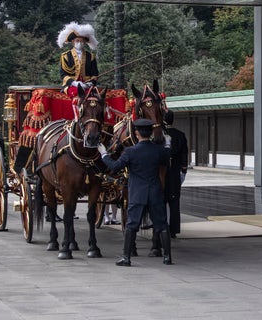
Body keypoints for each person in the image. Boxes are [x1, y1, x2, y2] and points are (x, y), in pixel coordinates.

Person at [97, 119, 172, 266]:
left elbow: (114, 166)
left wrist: (104, 154)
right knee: (162, 225)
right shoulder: (159, 150)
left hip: (137, 193)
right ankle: (167, 257)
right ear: (150, 133)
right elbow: (167, 157)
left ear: (136, 133)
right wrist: (168, 143)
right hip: (155, 192)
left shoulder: (130, 152)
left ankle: (126, 257)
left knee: (132, 225)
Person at [163, 110, 188, 237]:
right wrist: (183, 170)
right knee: (174, 201)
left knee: (161, 200)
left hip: (161, 172)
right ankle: (173, 229)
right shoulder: (180, 135)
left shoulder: (159, 135)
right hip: (175, 171)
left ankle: (162, 227)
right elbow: (184, 155)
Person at [57, 22, 99, 97]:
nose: (80, 43)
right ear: (73, 42)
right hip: (71, 85)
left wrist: (90, 83)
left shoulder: (91, 56)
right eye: (77, 41)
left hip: (87, 86)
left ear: (85, 42)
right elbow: (63, 75)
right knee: (78, 93)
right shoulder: (65, 56)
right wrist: (75, 83)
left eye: (82, 41)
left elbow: (95, 74)